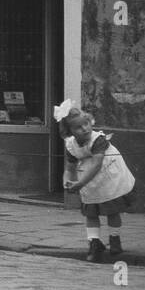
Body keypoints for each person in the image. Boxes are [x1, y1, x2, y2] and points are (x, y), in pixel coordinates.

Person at [56, 101, 135, 263]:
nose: (85, 129)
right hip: (88, 179)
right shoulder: (70, 145)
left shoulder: (98, 139)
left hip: (106, 175)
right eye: (79, 127)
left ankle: (115, 240)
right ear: (70, 131)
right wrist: (67, 181)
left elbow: (97, 164)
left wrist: (80, 184)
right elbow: (69, 167)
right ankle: (94, 242)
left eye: (86, 124)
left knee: (112, 209)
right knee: (91, 212)